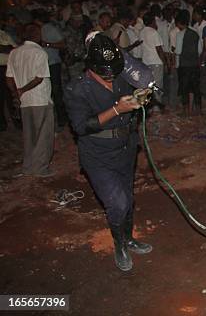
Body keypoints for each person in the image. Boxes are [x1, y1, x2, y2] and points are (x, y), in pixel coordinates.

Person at [64, 33, 152, 272]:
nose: (111, 75)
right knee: (117, 202)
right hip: (97, 154)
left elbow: (145, 78)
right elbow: (81, 127)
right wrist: (117, 109)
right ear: (90, 66)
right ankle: (119, 244)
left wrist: (138, 99)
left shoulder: (120, 75)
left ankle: (129, 237)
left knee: (128, 198)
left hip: (126, 147)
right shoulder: (77, 88)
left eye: (115, 68)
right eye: (106, 71)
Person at [6, 23, 55, 177]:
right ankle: (41, 168)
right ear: (38, 35)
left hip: (24, 101)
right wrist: (22, 90)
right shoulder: (39, 53)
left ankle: (28, 167)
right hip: (39, 99)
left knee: (29, 135)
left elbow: (8, 78)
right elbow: (39, 78)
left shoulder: (14, 52)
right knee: (43, 136)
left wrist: (16, 93)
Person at [175, 10, 203, 116]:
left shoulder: (180, 35)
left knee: (184, 88)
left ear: (179, 23)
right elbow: (199, 50)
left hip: (184, 65)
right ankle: (198, 109)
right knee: (196, 88)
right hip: (194, 64)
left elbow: (178, 51)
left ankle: (185, 110)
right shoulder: (195, 33)